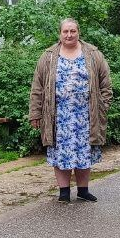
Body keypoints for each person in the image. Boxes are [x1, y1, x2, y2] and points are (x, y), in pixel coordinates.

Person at [29, 19, 112, 202]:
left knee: (84, 151)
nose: (69, 35)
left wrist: (102, 107)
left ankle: (83, 190)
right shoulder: (49, 55)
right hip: (58, 116)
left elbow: (106, 83)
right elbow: (38, 87)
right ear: (60, 33)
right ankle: (64, 192)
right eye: (65, 31)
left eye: (72, 31)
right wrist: (35, 113)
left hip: (86, 115)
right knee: (61, 152)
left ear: (78, 32)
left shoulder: (93, 54)